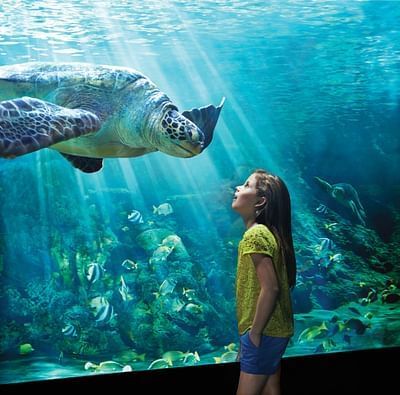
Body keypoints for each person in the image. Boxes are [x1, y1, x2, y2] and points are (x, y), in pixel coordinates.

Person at [232, 169, 296, 395]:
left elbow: (271, 288)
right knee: (270, 390)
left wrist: (254, 333)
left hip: (263, 330)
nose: (238, 188)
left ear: (260, 201)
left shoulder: (255, 235)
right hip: (274, 330)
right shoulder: (268, 233)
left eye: (246, 185)